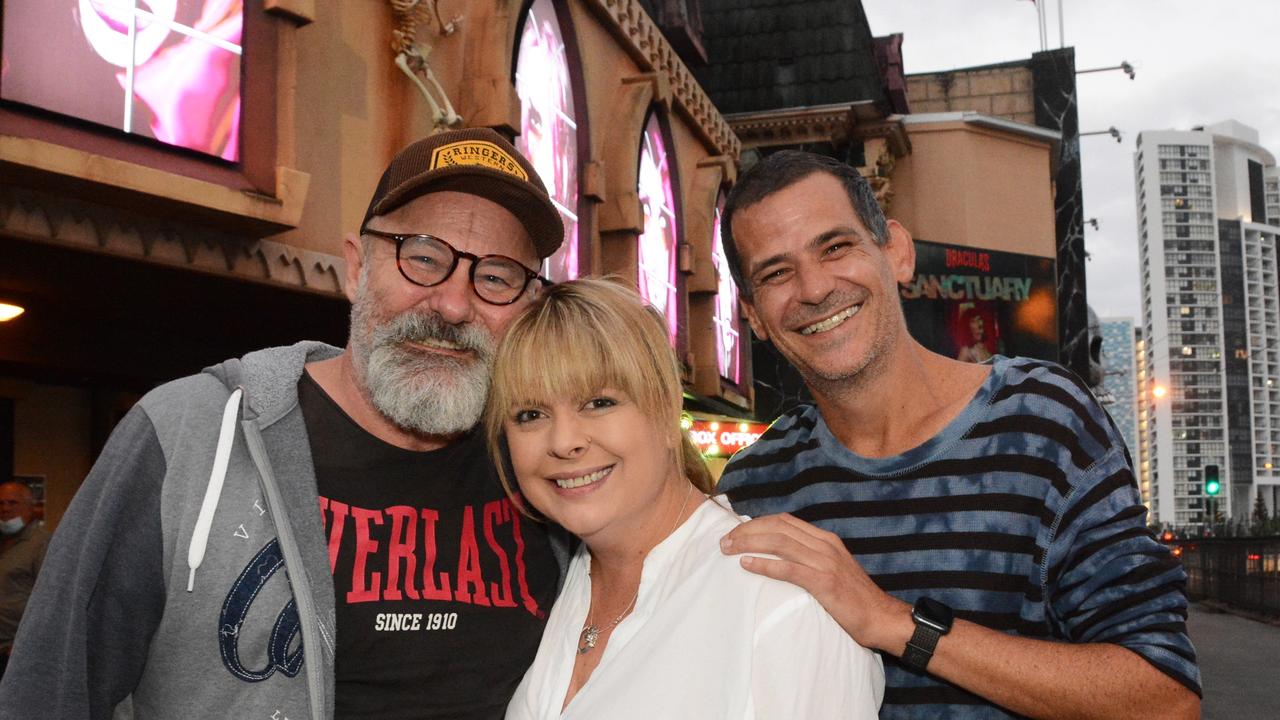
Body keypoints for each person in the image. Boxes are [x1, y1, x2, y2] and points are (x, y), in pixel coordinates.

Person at [0, 128, 570, 720]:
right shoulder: (182, 436)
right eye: (422, 257)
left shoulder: (546, 471)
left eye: (498, 277)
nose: (454, 305)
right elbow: (49, 693)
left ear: (527, 306)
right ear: (356, 268)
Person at [713, 150, 1201, 719]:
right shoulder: (753, 486)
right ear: (752, 313)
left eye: (836, 247)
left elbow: (1164, 698)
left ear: (896, 251)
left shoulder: (1043, 424)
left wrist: (891, 621)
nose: (815, 287)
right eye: (776, 272)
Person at [486, 278, 884, 719]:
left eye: (599, 402)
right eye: (531, 414)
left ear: (665, 408)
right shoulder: (560, 579)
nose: (563, 441)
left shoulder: (779, 599)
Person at [0, 481, 48, 679]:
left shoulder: (41, 544)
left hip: (17, 653)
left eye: (13, 502)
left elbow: (49, 601)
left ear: (30, 508)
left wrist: (28, 642)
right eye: (1, 503)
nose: (5, 508)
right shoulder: (4, 543)